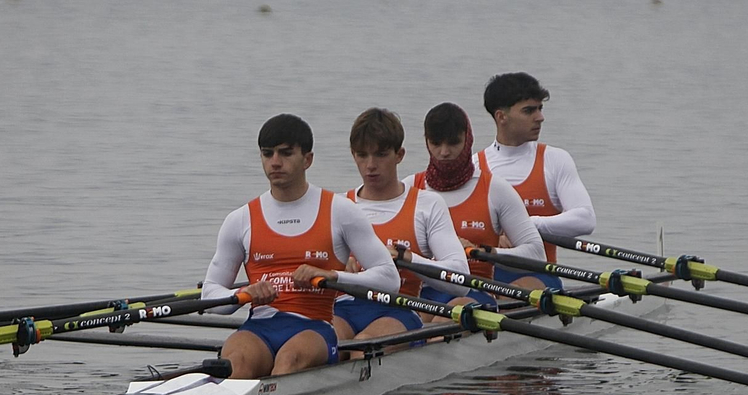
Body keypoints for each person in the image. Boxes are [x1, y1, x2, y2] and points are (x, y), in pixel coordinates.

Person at [202, 113, 400, 379]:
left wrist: (333, 276)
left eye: (285, 153)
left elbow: (389, 278)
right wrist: (245, 294)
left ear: (308, 159)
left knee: (289, 360)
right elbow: (210, 296)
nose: (275, 162)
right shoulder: (240, 219)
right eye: (267, 153)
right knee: (236, 361)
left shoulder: (340, 211)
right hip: (259, 327)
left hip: (315, 328)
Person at [332, 107, 472, 346]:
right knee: (323, 345)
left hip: (399, 308)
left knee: (362, 345)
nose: (370, 165)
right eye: (362, 155)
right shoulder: (337, 206)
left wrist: (408, 259)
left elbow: (459, 281)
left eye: (381, 154)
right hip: (345, 309)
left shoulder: (427, 205)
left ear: (400, 154)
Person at [412, 102, 546, 299]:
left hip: (475, 290)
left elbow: (537, 253)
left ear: (468, 140)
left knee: (445, 316)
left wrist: (486, 252)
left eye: (453, 143)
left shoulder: (495, 189)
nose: (444, 152)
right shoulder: (411, 188)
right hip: (423, 293)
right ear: (426, 142)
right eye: (436, 143)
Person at [478, 71, 596, 289]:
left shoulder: (554, 160)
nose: (540, 117)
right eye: (529, 111)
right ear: (501, 117)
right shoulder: (474, 167)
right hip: (485, 278)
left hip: (540, 276)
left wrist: (526, 225)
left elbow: (586, 219)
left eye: (540, 109)